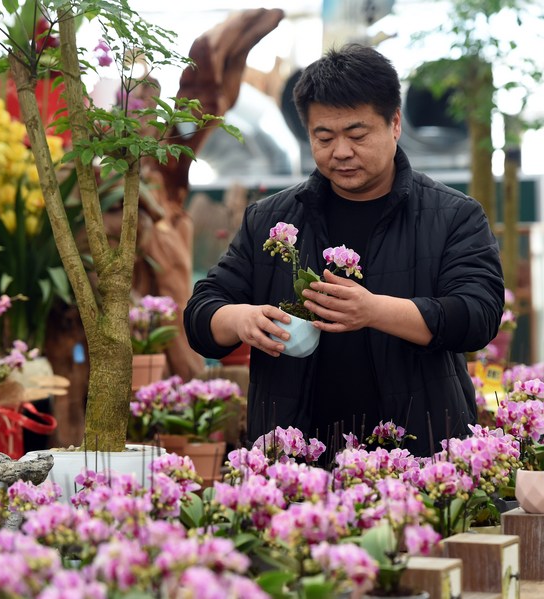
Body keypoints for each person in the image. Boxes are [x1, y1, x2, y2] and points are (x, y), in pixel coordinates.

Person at [184, 44, 505, 456]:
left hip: (419, 456)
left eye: (357, 135)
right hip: (296, 468)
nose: (340, 152)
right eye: (324, 137)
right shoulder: (272, 219)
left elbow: (478, 315)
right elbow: (201, 313)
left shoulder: (453, 215)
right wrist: (241, 319)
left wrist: (373, 311)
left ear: (394, 124)